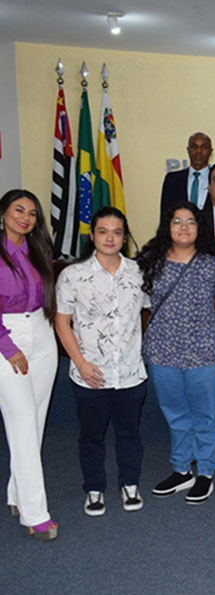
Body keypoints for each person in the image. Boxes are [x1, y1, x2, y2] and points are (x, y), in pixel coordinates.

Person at [55, 207, 148, 517]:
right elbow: (62, 322)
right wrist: (80, 363)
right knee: (91, 435)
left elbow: (151, 311)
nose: (110, 238)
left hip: (130, 372)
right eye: (103, 231)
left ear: (125, 237)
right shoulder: (73, 275)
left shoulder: (139, 272)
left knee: (129, 434)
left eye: (117, 232)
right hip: (89, 373)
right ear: (92, 235)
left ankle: (130, 484)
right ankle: (94, 489)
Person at [138, 201, 215, 505]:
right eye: (177, 221)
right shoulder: (150, 261)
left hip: (203, 353)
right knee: (176, 416)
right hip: (163, 354)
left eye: (190, 222)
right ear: (167, 226)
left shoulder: (213, 264)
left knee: (205, 416)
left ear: (199, 228)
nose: (184, 227)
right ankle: (181, 469)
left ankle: (206, 473)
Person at [0, 190, 58, 541]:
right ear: (3, 212)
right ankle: (35, 514)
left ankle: (16, 494)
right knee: (21, 423)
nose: (25, 217)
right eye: (18, 209)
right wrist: (8, 347)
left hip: (41, 331)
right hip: (7, 337)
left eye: (33, 213)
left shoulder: (38, 251)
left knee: (35, 421)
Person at [160, 132, 213, 218]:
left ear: (210, 151)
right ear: (188, 150)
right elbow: (165, 214)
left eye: (204, 147)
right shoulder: (172, 180)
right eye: (194, 147)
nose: (198, 151)